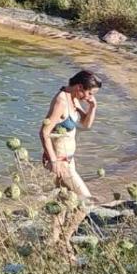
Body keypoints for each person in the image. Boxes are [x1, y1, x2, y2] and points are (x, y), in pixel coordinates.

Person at [39, 70, 101, 202]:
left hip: (69, 161)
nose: (89, 97)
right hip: (60, 163)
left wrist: (93, 107)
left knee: (65, 203)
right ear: (79, 87)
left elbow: (86, 124)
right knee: (87, 200)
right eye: (90, 93)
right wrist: (54, 162)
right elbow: (44, 132)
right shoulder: (61, 102)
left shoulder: (73, 99)